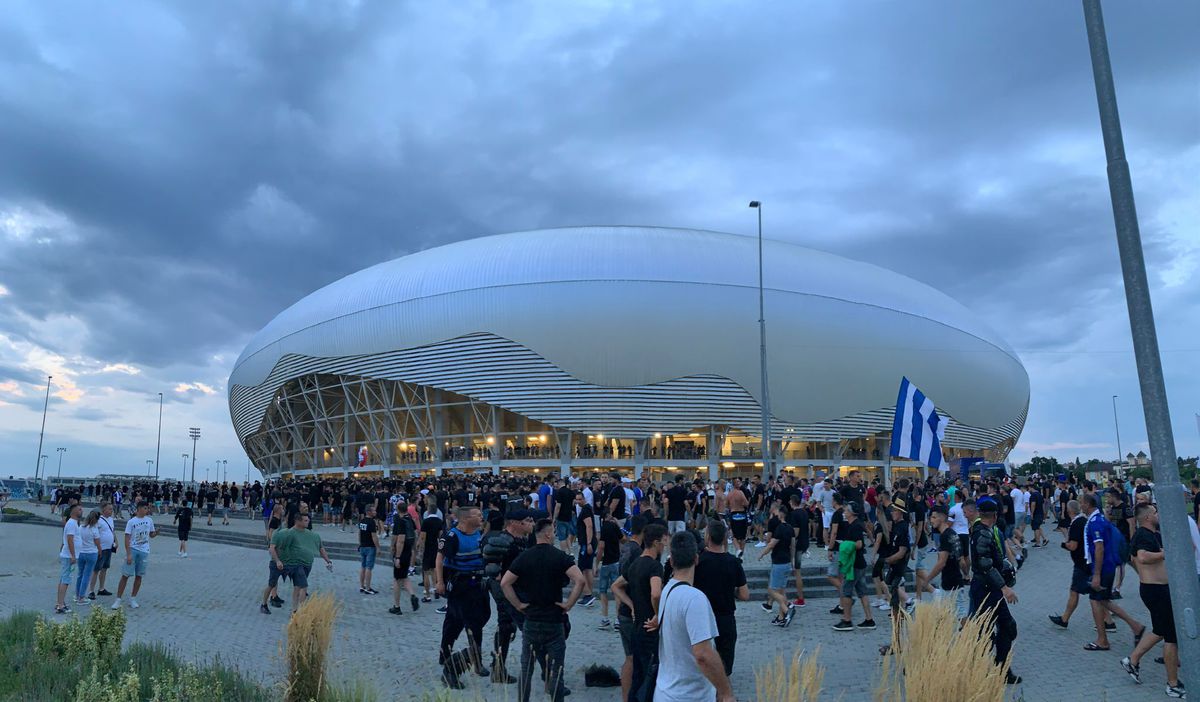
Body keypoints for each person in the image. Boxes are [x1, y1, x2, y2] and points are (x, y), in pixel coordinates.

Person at [502, 518, 586, 702]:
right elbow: (579, 580)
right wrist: (569, 604)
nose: (554, 534)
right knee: (556, 672)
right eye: (553, 532)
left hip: (531, 619)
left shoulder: (525, 556)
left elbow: (505, 583)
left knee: (526, 670)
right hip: (554, 620)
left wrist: (518, 604)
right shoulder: (560, 557)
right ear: (548, 534)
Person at [652, 531, 736, 702]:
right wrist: (726, 692)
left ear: (672, 561)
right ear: (696, 559)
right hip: (689, 695)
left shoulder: (667, 590)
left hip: (665, 691)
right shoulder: (694, 598)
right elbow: (703, 654)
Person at [1121, 502, 1185, 698]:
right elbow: (1141, 557)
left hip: (1159, 589)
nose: (1158, 514)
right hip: (1155, 591)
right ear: (1148, 517)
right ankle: (1172, 684)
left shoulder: (1153, 534)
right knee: (1171, 637)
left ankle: (1132, 660)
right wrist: (1164, 555)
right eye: (1155, 512)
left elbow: (1131, 558)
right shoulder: (1143, 535)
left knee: (1160, 630)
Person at [1080, 492, 1145, 651]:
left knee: (1097, 600)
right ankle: (1135, 626)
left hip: (1103, 568)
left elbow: (1099, 548)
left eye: (1081, 502)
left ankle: (1103, 640)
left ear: (1088, 505)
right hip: (1106, 566)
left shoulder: (1095, 522)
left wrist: (1096, 574)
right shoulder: (1100, 519)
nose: (1080, 505)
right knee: (1103, 600)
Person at [612, 522, 668, 702]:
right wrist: (657, 615)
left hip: (636, 627)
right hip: (650, 629)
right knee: (650, 675)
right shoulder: (654, 566)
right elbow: (656, 593)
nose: (665, 546)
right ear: (657, 542)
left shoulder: (635, 564)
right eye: (664, 542)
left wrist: (632, 605)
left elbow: (616, 586)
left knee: (638, 674)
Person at [437, 506, 491, 688]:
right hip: (461, 586)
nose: (481, 517)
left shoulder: (479, 534)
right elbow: (440, 559)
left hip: (479, 584)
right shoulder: (452, 536)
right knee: (460, 623)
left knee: (480, 619)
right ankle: (451, 659)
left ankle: (474, 660)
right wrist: (440, 582)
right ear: (466, 519)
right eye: (477, 515)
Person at [968, 497, 1020, 684]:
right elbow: (985, 565)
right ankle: (993, 669)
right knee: (992, 631)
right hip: (987, 590)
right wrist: (1004, 587)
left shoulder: (984, 531)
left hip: (988, 589)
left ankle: (999, 667)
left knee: (999, 629)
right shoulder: (982, 534)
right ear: (995, 515)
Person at [483, 508, 534, 684]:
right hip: (505, 591)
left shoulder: (523, 540)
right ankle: (498, 668)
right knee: (508, 627)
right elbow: (492, 570)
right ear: (514, 523)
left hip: (517, 590)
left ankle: (498, 666)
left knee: (507, 628)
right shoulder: (502, 540)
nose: (531, 524)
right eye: (527, 520)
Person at [693, 520, 749, 677]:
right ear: (725, 538)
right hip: (725, 617)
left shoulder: (699, 561)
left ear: (708, 537)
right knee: (725, 660)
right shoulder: (734, 562)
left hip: (702, 616)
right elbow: (745, 594)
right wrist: (732, 591)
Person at [831, 502, 874, 631]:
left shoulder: (855, 526)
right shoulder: (854, 524)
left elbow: (859, 544)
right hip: (859, 563)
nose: (844, 512)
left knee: (846, 591)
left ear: (851, 513)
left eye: (846, 511)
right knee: (862, 592)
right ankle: (869, 620)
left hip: (854, 565)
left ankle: (847, 620)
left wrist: (845, 545)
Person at [112, 501, 157, 610]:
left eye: (148, 508)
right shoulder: (132, 522)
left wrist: (156, 533)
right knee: (125, 575)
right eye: (146, 508)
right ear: (140, 509)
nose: (147, 510)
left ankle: (133, 598)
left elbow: (151, 535)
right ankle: (118, 599)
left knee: (139, 576)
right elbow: (127, 537)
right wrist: (128, 554)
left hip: (144, 551)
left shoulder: (149, 520)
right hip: (133, 549)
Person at [927, 504, 968, 623]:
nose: (931, 520)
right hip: (954, 580)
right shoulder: (953, 533)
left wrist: (927, 579)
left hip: (950, 582)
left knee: (956, 612)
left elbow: (941, 563)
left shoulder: (945, 536)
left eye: (934, 517)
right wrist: (966, 574)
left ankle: (969, 636)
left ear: (942, 518)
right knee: (949, 612)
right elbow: (962, 560)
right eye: (931, 517)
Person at [756, 500, 794, 627]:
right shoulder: (790, 528)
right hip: (787, 562)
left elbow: (772, 544)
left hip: (779, 562)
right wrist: (792, 560)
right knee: (781, 591)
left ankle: (788, 609)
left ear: (781, 514)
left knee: (772, 590)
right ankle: (781, 617)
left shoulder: (779, 528)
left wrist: (762, 553)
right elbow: (792, 546)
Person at [596, 506, 625, 630]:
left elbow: (601, 546)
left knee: (603, 591)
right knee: (617, 590)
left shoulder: (604, 528)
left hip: (606, 562)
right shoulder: (614, 526)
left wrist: (596, 563)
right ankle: (617, 618)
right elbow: (623, 539)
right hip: (616, 561)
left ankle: (605, 617)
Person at [389, 498, 419, 615]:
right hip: (408, 551)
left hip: (401, 553)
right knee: (404, 576)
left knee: (397, 579)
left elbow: (400, 540)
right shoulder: (410, 520)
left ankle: (397, 606)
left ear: (397, 509)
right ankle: (412, 595)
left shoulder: (400, 521)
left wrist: (397, 557)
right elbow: (415, 533)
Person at [55, 504, 83, 614]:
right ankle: (60, 605)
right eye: (79, 509)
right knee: (66, 580)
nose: (81, 511)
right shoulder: (72, 523)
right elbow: (70, 539)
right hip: (68, 556)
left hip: (68, 555)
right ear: (73, 511)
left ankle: (60, 602)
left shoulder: (73, 523)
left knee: (64, 579)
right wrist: (72, 555)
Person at [88, 502, 118, 599]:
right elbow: (93, 533)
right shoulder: (99, 520)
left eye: (112, 509)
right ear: (103, 510)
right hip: (100, 548)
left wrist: (116, 541)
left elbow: (112, 531)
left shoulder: (111, 520)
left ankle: (101, 588)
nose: (111, 511)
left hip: (109, 548)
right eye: (109, 509)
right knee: (96, 569)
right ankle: (91, 591)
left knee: (104, 568)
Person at [74, 510, 102, 607]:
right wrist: (100, 551)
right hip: (91, 553)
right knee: (87, 575)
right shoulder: (94, 529)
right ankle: (82, 597)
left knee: (80, 574)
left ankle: (77, 595)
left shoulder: (81, 527)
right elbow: (97, 542)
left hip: (81, 552)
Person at [575, 492, 598, 607]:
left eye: (580, 499)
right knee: (587, 569)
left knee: (580, 569)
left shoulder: (585, 510)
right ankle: (589, 594)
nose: (578, 502)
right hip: (587, 542)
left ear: (584, 499)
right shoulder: (587, 509)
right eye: (577, 500)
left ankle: (587, 594)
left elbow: (589, 526)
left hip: (586, 543)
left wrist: (588, 543)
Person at [421, 498, 445, 602]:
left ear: (428, 510)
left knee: (426, 571)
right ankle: (436, 590)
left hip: (427, 547)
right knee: (435, 569)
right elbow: (440, 536)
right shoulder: (439, 521)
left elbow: (423, 537)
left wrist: (421, 549)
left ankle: (427, 596)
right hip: (436, 546)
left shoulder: (426, 522)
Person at [787, 494, 809, 607]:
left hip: (798, 545)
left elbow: (795, 533)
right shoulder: (804, 512)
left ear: (792, 502)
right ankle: (800, 598)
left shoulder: (794, 514)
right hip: (804, 543)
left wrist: (790, 546)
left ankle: (800, 598)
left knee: (797, 572)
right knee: (798, 571)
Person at [358, 504, 380, 595]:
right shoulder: (371, 522)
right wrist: (378, 547)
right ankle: (368, 588)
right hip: (370, 547)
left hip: (363, 546)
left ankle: (362, 586)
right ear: (368, 512)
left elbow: (359, 533)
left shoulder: (362, 521)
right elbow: (374, 536)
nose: (375, 512)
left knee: (363, 566)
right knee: (369, 568)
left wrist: (360, 544)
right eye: (373, 510)